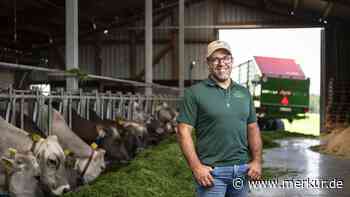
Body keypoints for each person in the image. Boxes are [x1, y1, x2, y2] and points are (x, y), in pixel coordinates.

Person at [176, 40, 262, 197]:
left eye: (225, 58)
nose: (221, 63)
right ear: (208, 63)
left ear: (232, 61)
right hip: (212, 174)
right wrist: (196, 167)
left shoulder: (244, 93)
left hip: (242, 172)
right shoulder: (195, 93)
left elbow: (252, 127)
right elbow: (183, 131)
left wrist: (256, 161)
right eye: (215, 59)